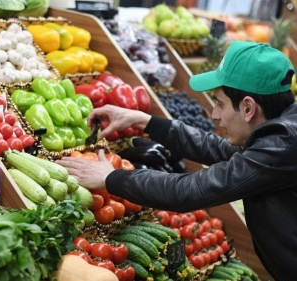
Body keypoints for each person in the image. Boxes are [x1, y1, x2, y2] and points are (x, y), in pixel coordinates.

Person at [56, 40, 297, 280]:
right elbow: (216, 148)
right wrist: (144, 121)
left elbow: (189, 191)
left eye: (219, 104)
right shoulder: (279, 134)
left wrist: (111, 178)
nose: (213, 114)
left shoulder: (283, 143)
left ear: (248, 108)